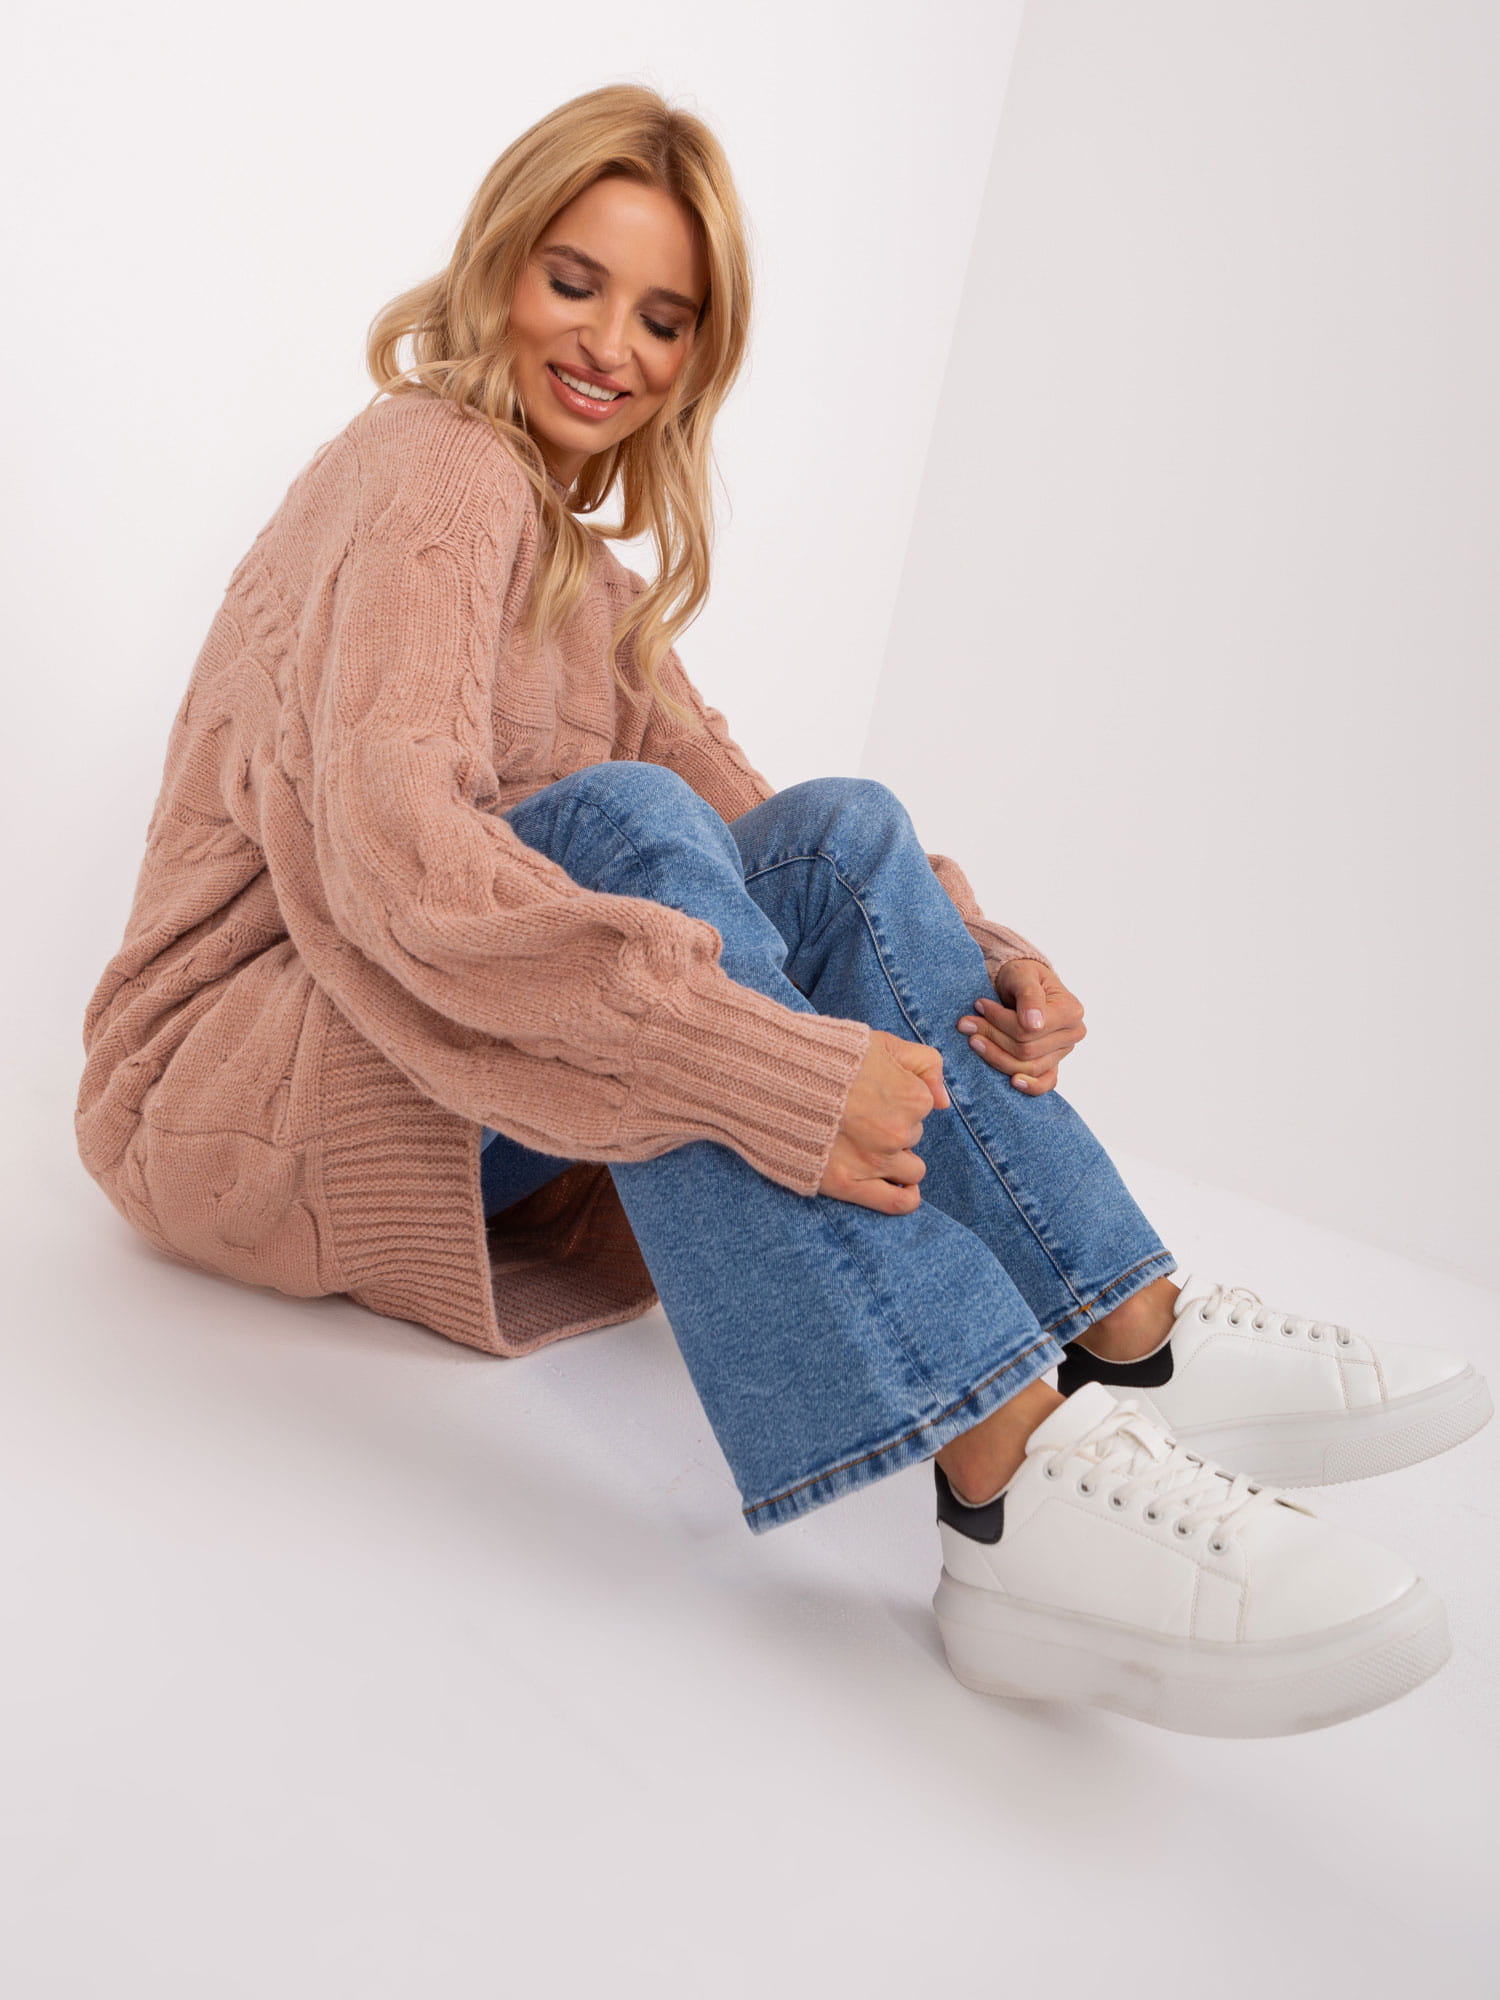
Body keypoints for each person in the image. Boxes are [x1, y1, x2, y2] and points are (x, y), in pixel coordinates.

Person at [76, 84, 1490, 1740]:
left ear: (700, 352)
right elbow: (400, 864)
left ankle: (1127, 1328)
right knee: (630, 829)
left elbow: (779, 846)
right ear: (497, 267)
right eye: (575, 280)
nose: (611, 344)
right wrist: (765, 1073)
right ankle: (1007, 1480)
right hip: (235, 1088)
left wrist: (993, 960)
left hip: (417, 1063)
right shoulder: (428, 466)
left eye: (663, 316)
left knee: (837, 833)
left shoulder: (580, 572)